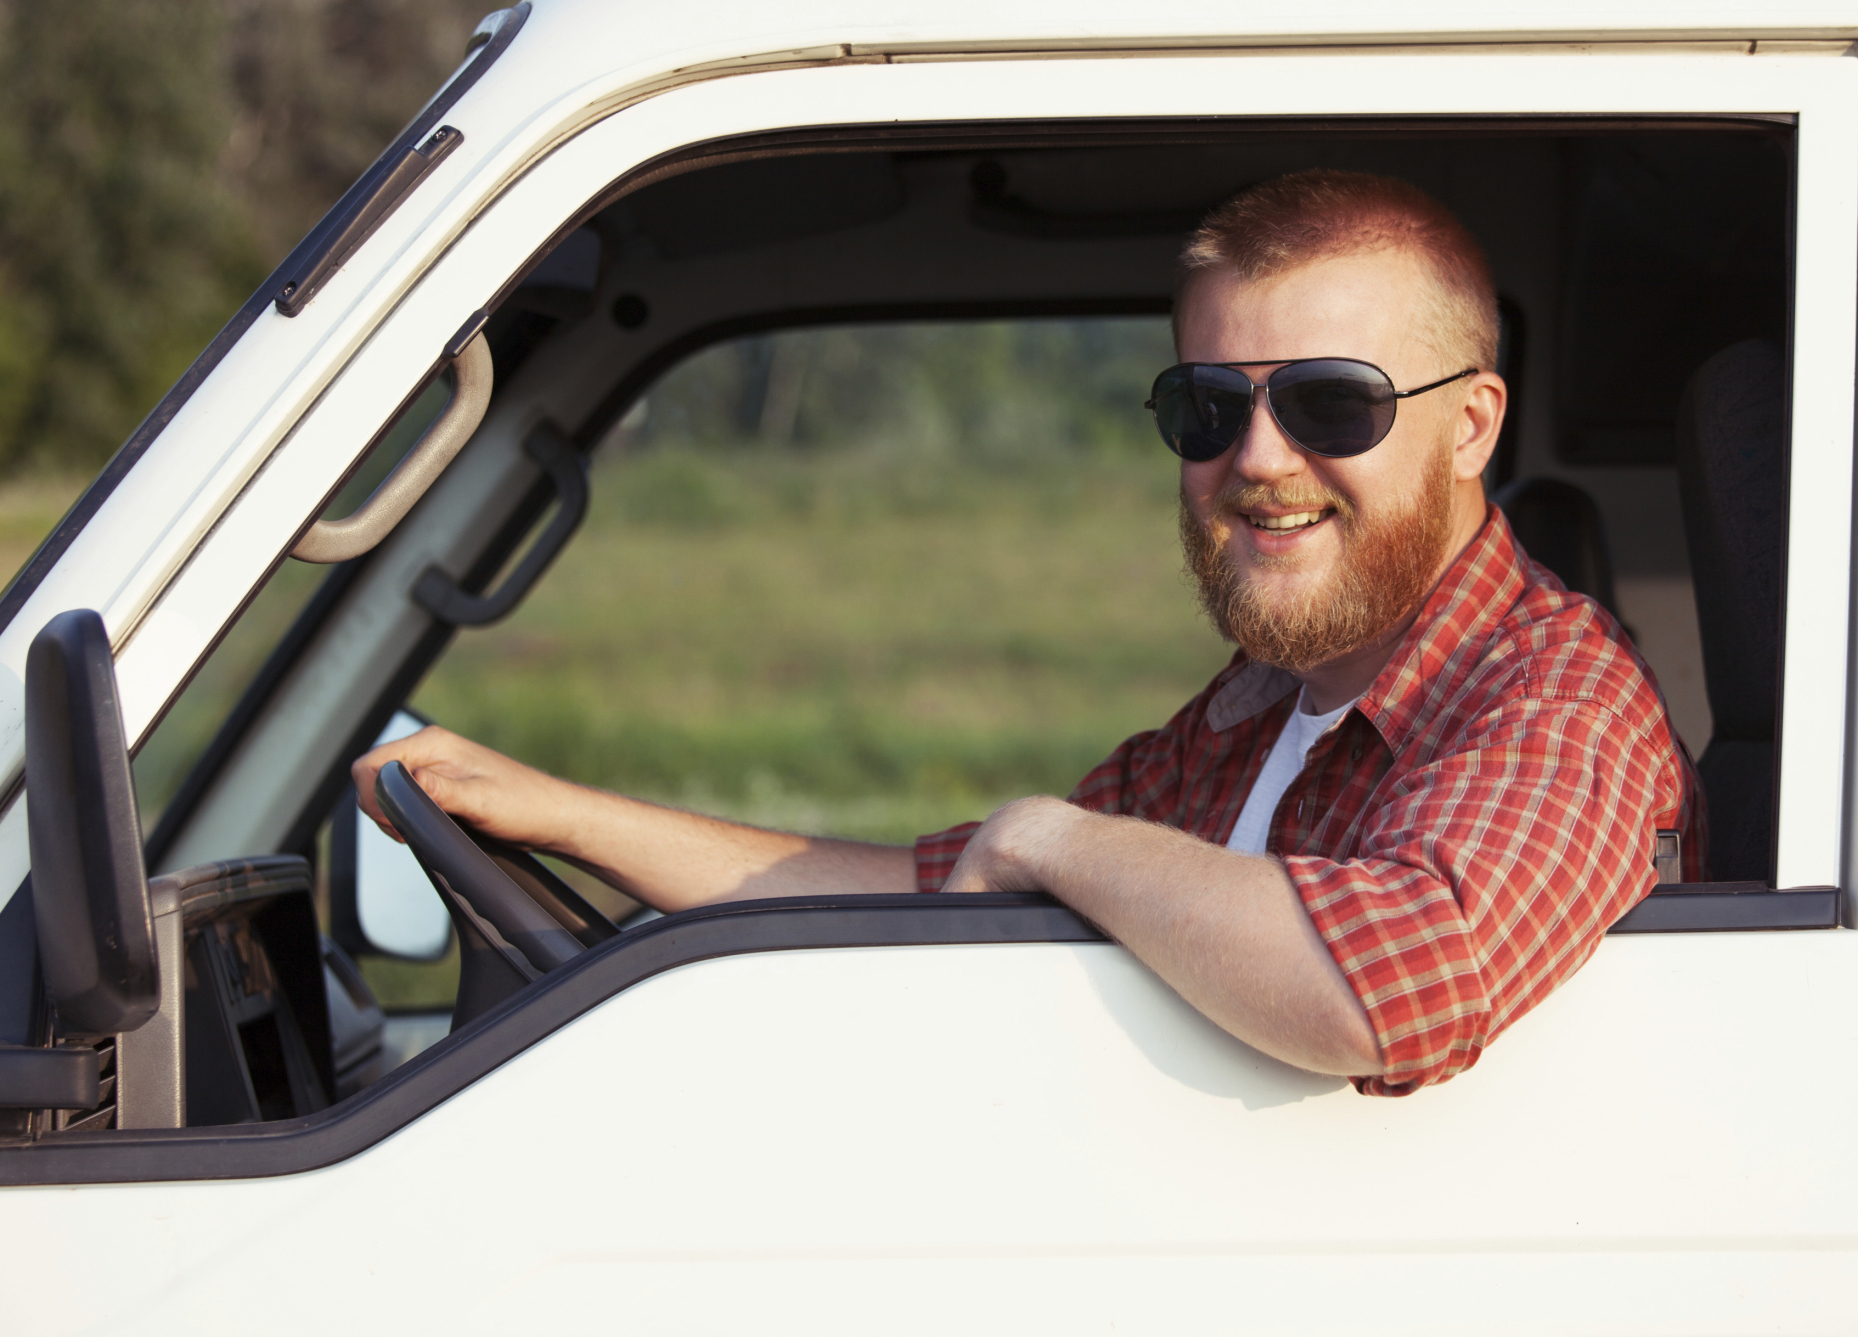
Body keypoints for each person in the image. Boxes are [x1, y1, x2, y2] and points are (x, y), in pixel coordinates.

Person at [354, 169, 1703, 1096]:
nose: (1258, 459)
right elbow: (934, 893)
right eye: (1205, 409)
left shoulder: (1555, 705)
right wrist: (556, 811)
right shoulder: (1261, 709)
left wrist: (1060, 836)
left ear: (1470, 424)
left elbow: (1396, 985)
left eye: (1329, 404)